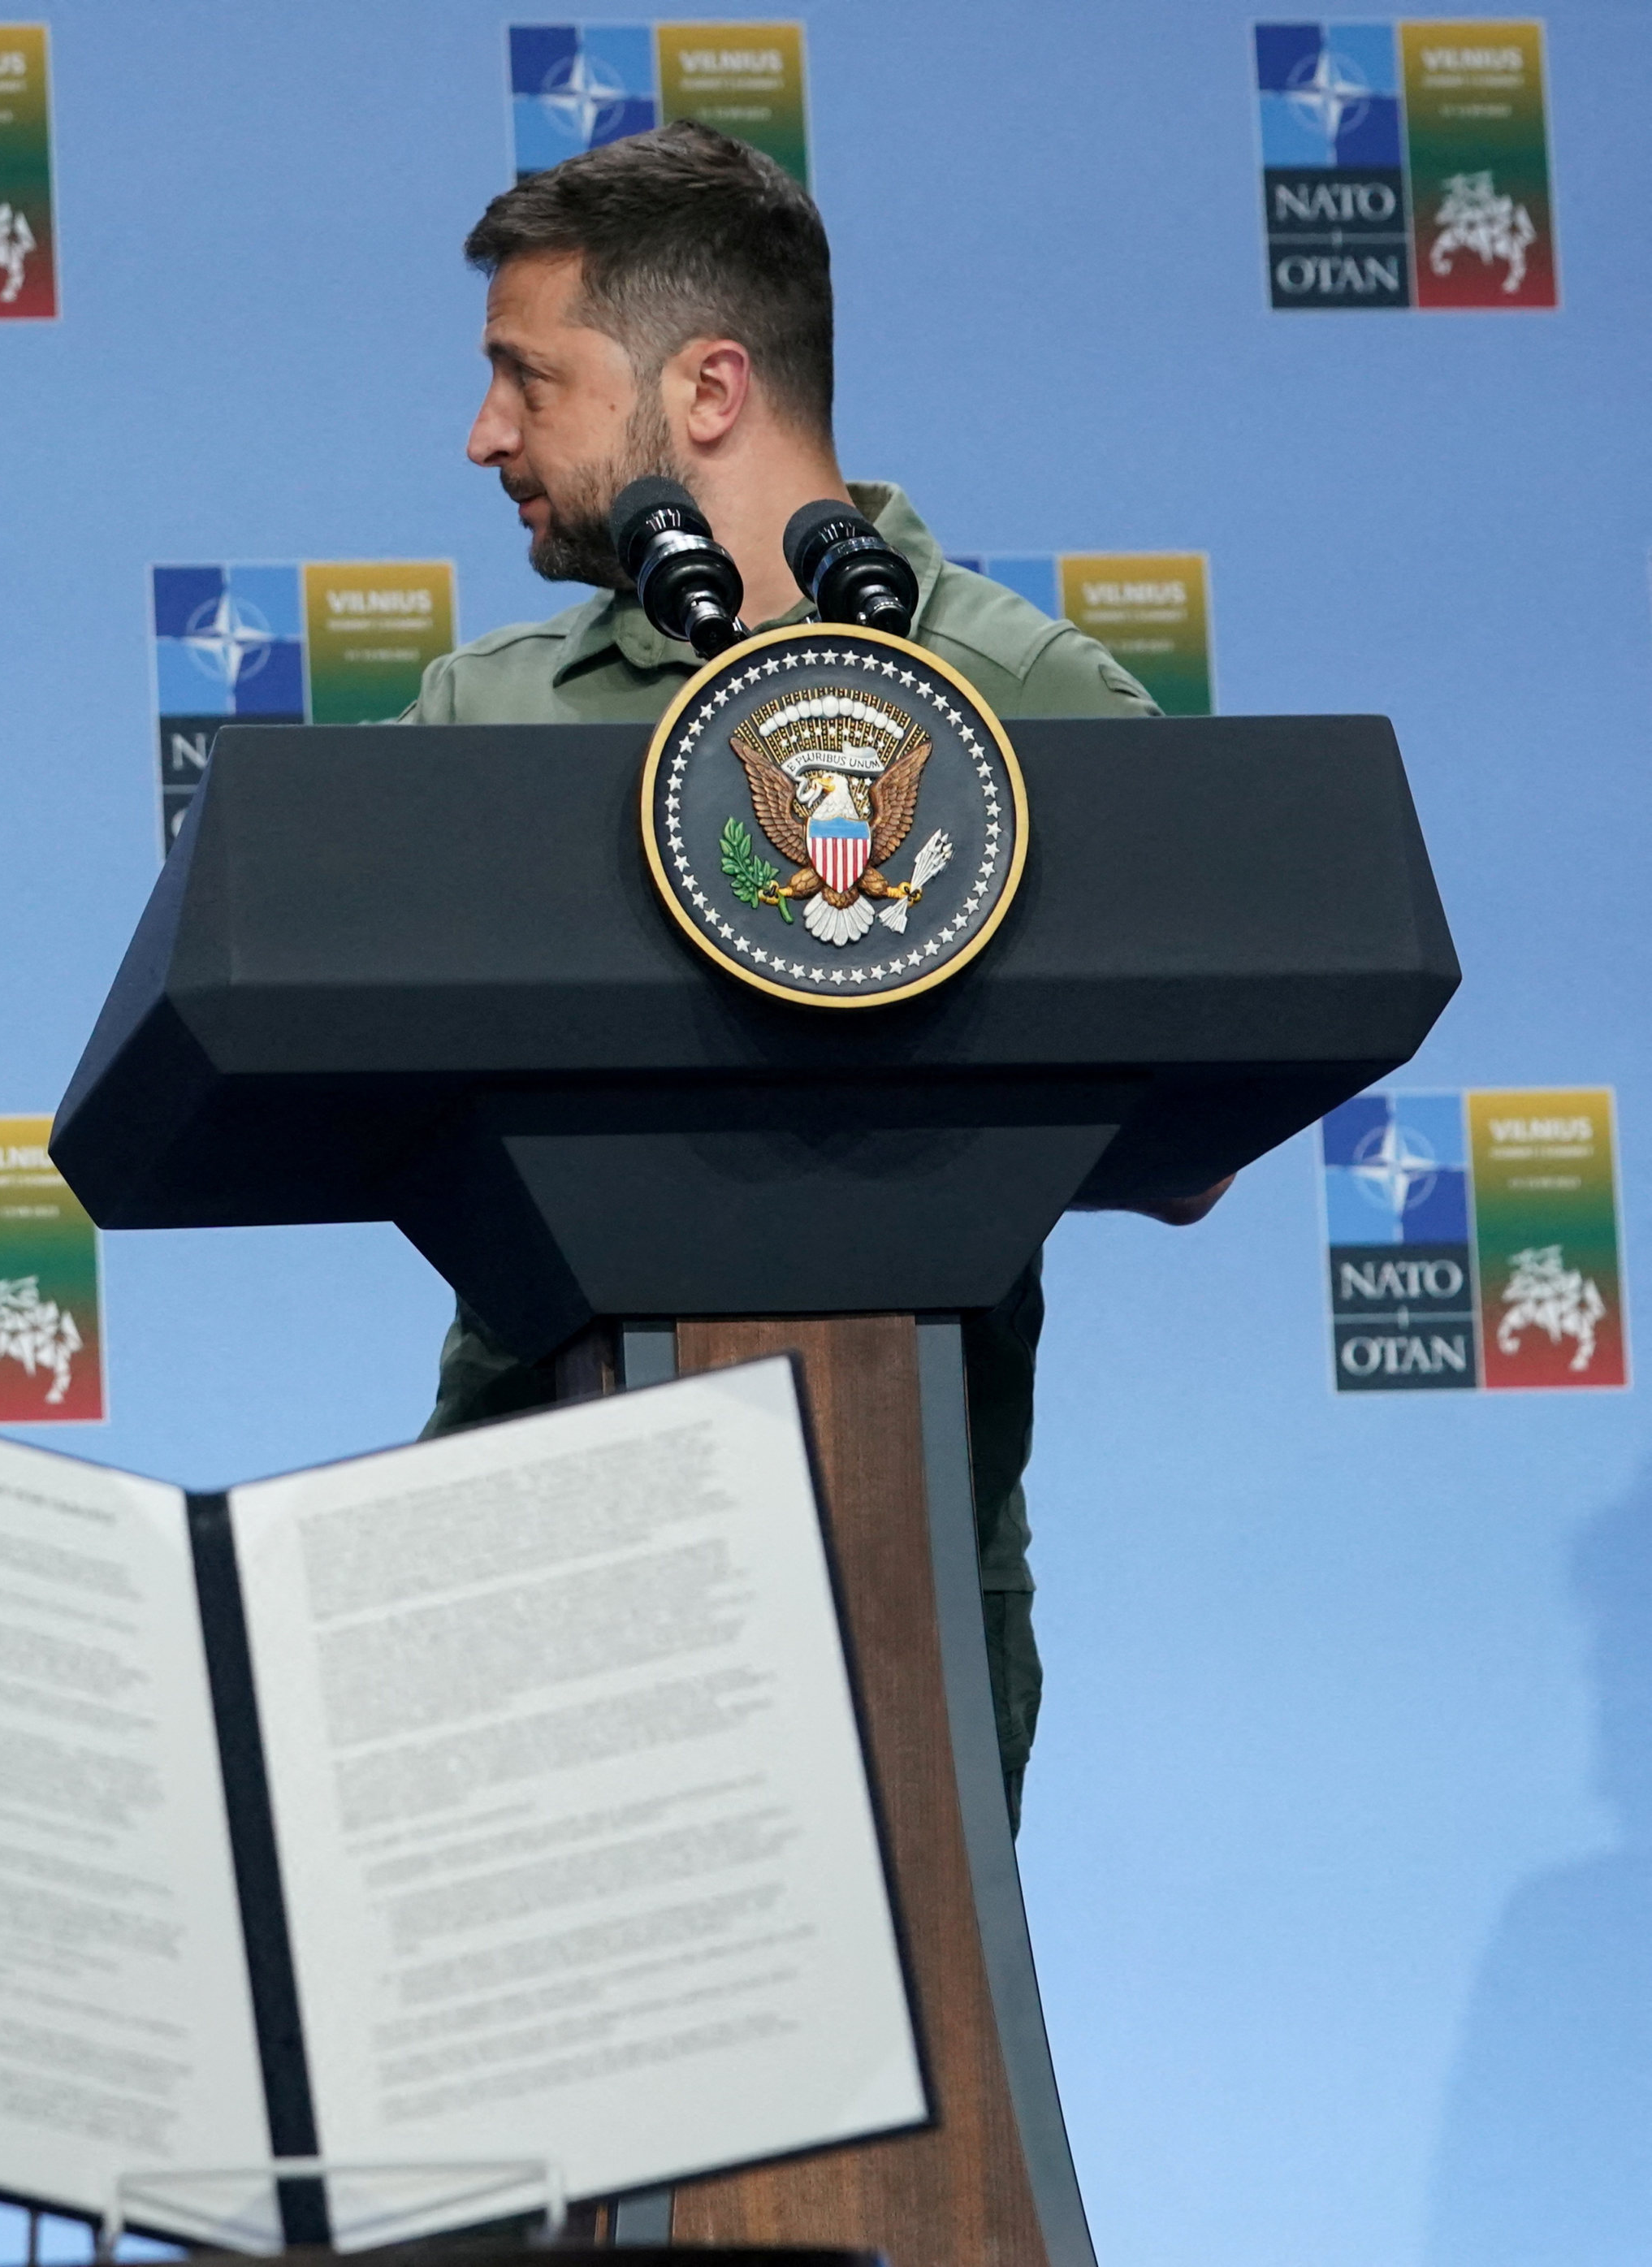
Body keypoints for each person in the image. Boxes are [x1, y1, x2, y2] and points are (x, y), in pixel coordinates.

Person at [410, 122, 1219, 1827]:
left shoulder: (1022, 698)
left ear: (704, 391)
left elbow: (1197, 1125)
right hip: (519, 1594)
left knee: (914, 2107)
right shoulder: (474, 724)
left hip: (903, 1585)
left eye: (522, 378)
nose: (482, 434)